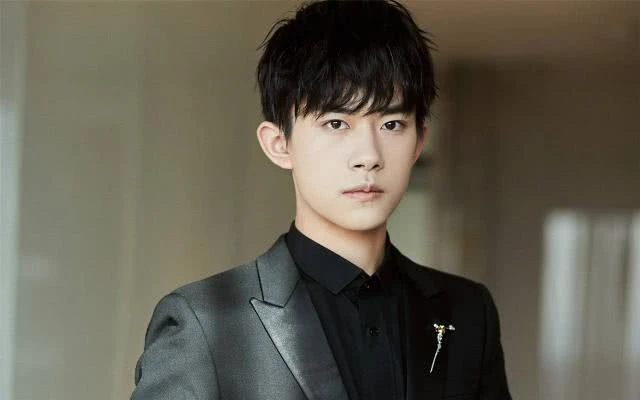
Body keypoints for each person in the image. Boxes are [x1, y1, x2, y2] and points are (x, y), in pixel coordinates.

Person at [130, 1, 511, 399]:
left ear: (419, 142)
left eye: (391, 124)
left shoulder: (468, 312)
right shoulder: (205, 322)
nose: (369, 156)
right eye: (336, 123)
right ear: (279, 144)